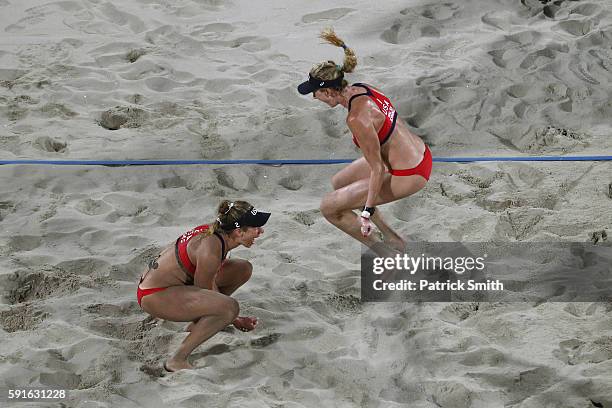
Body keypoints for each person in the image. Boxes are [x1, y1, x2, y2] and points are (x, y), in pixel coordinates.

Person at [297, 28, 432, 252]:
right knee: (340, 183)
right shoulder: (364, 89)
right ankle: (394, 238)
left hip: (411, 172)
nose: (314, 97)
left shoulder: (356, 118)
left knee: (329, 207)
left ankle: (386, 254)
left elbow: (377, 169)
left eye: (316, 92)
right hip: (418, 151)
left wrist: (367, 213)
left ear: (330, 92)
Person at [137, 200, 271, 372]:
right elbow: (205, 290)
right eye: (256, 228)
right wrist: (235, 319)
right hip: (154, 294)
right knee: (229, 308)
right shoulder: (210, 249)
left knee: (242, 269)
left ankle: (198, 325)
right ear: (239, 231)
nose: (261, 231)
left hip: (173, 284)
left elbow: (207, 285)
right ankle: (177, 359)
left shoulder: (218, 233)